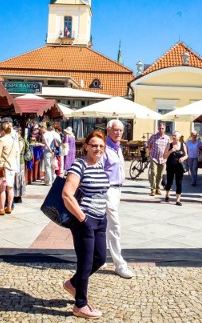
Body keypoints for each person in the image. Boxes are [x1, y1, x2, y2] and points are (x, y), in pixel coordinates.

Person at [62, 130, 110, 319]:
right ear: (86, 146)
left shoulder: (99, 165)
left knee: (100, 258)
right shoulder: (79, 165)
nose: (97, 148)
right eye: (94, 145)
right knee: (86, 261)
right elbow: (67, 194)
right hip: (85, 220)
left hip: (100, 219)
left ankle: (73, 284)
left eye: (101, 146)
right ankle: (80, 305)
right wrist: (83, 218)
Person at [102, 119, 135, 279]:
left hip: (117, 190)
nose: (119, 133)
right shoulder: (104, 148)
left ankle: (100, 257)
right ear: (108, 130)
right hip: (107, 190)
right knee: (114, 226)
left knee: (104, 225)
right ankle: (119, 264)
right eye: (116, 130)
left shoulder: (117, 147)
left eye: (121, 130)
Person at [0, 121, 19, 215]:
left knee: (2, 189)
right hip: (12, 167)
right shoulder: (14, 141)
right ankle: (9, 207)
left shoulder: (1, 140)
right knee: (10, 188)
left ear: (2, 130)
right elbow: (16, 154)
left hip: (3, 167)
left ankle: (1, 208)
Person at [163, 131, 188, 206]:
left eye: (175, 136)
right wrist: (171, 151)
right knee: (169, 182)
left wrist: (183, 158)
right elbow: (164, 156)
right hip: (170, 166)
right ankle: (167, 194)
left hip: (179, 167)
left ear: (179, 137)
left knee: (179, 183)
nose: (173, 137)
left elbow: (187, 155)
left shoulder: (183, 145)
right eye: (173, 135)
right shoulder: (169, 145)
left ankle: (178, 200)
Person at [146, 122, 169, 196]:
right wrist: (150, 151)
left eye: (162, 128)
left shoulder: (167, 138)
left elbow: (168, 148)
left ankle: (158, 188)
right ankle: (153, 189)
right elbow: (148, 144)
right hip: (154, 158)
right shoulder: (154, 136)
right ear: (158, 128)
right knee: (153, 173)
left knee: (160, 174)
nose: (161, 130)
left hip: (162, 159)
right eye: (160, 128)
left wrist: (166, 156)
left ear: (165, 129)